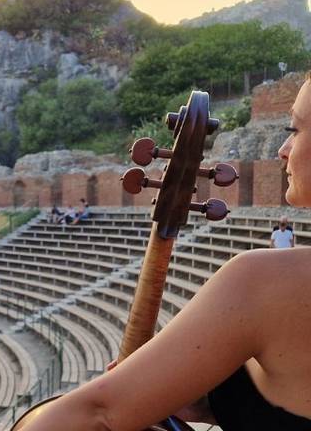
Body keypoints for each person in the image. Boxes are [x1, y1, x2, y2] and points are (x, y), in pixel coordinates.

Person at [16, 75, 311, 430]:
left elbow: (95, 414)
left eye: (294, 129)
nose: (282, 149)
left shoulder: (266, 283)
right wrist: (209, 406)